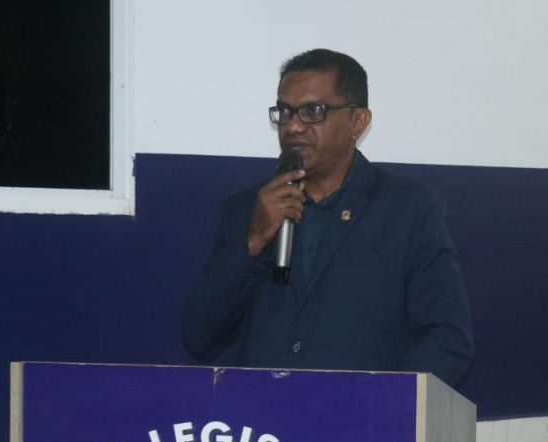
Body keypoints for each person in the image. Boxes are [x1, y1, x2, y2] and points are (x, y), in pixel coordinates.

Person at [181, 48, 473, 388]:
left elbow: (447, 339)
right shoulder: (246, 209)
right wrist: (252, 243)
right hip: (263, 417)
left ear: (358, 122)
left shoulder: (408, 209)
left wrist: (386, 406)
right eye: (285, 112)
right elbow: (200, 337)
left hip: (363, 416)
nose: (293, 126)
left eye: (312, 111)